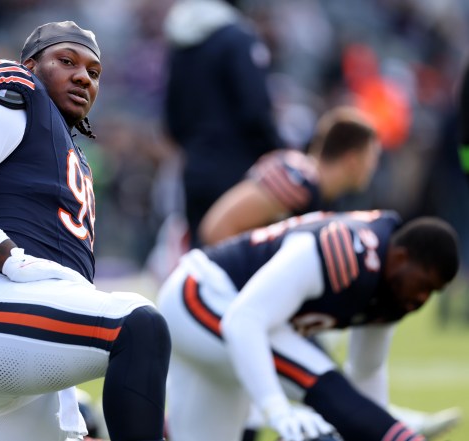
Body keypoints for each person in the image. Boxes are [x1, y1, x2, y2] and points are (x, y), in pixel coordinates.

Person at [0, 20, 170, 441]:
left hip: (17, 332)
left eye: (94, 72)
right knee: (137, 325)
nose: (83, 75)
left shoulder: (64, 148)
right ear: (30, 65)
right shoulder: (18, 96)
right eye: (67, 61)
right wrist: (7, 255)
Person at [156, 210, 459, 441]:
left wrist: (373, 428)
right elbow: (244, 320)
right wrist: (275, 408)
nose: (422, 298)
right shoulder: (346, 251)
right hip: (201, 295)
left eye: (433, 293)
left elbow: (367, 372)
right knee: (325, 388)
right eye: (423, 285)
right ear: (400, 257)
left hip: (225, 321)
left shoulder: (389, 287)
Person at [162, 0, 283, 249]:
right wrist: (278, 151)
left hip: (195, 169)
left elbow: (172, 121)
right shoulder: (238, 39)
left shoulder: (181, 45)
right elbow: (255, 110)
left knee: (201, 262)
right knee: (241, 262)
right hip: (239, 169)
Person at [199, 106, 380, 246]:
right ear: (352, 160)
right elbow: (216, 229)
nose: (374, 167)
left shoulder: (323, 196)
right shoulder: (298, 180)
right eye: (372, 158)